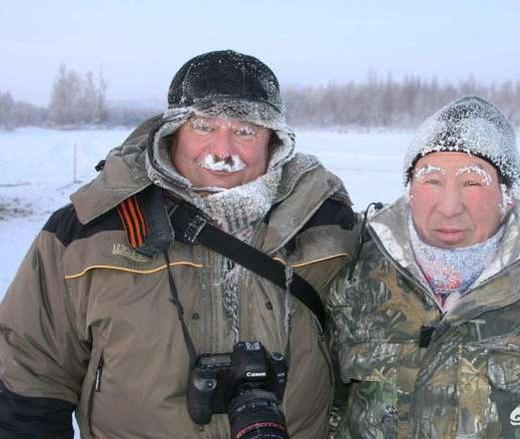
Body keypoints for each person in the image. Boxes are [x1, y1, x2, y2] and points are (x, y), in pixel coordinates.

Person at [0, 50, 358, 438]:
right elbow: (30, 377)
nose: (223, 152)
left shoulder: (327, 225)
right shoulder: (86, 232)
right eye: (204, 126)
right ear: (173, 131)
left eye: (245, 131)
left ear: (275, 140)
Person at [328, 96, 520, 438]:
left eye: (472, 181)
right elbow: (327, 408)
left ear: (507, 196)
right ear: (410, 190)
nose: (449, 207)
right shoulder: (357, 282)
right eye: (431, 180)